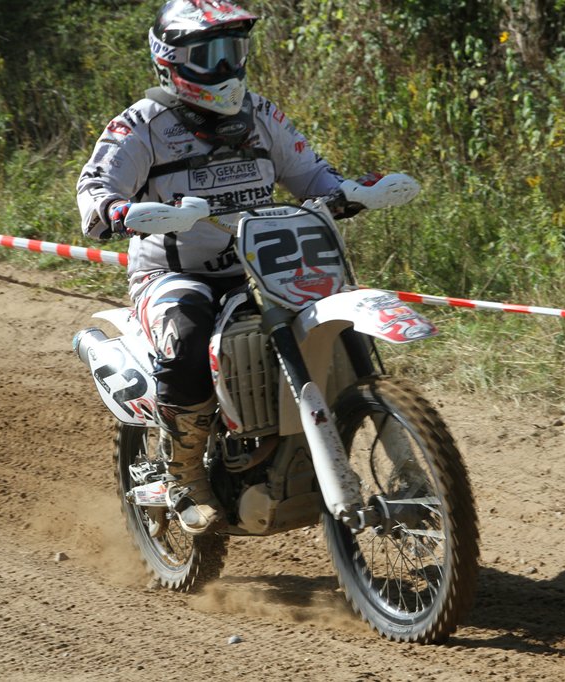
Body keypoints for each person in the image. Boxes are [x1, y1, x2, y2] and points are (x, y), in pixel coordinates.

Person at [77, 0, 362, 535]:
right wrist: (118, 211)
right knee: (187, 334)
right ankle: (184, 476)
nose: (226, 66)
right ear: (171, 60)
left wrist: (351, 190)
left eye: (233, 49)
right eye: (209, 54)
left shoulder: (262, 114)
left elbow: (312, 176)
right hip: (172, 273)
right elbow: (94, 190)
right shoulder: (141, 125)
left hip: (262, 264)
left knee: (335, 316)